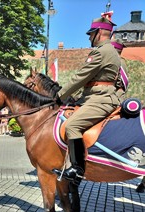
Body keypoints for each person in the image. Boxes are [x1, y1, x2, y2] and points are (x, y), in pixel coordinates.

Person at [52, 17, 121, 186]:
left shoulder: (101, 51)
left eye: (91, 34)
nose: (89, 38)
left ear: (98, 33)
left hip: (101, 100)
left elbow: (80, 78)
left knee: (71, 126)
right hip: (95, 97)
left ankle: (77, 170)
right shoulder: (109, 51)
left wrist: (59, 96)